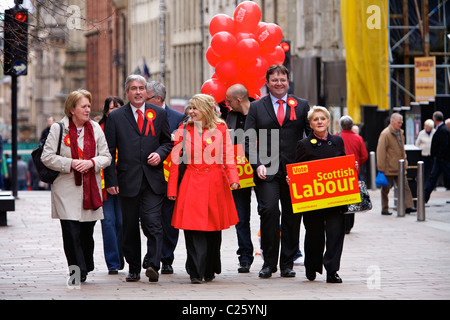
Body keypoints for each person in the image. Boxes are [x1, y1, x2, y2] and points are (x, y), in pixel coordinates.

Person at [103, 75, 173, 283]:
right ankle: (133, 267)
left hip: (153, 179)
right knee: (130, 226)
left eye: (142, 88)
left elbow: (167, 142)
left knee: (154, 223)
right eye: (134, 88)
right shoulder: (116, 117)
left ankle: (153, 264)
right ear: (127, 92)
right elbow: (109, 150)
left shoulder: (159, 114)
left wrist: (160, 154)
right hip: (127, 180)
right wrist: (111, 181)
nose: (138, 92)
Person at [244, 64, 311, 279]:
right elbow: (247, 139)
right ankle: (268, 263)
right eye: (274, 80)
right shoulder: (256, 107)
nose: (279, 83)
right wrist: (257, 164)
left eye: (282, 79)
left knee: (293, 216)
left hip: (295, 171)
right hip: (267, 170)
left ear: (288, 81)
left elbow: (311, 137)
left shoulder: (301, 106)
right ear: (267, 82)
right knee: (269, 212)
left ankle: (287, 263)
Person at [167, 94, 240, 284]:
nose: (190, 111)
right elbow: (175, 161)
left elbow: (228, 155)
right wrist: (172, 188)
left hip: (216, 182)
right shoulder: (183, 129)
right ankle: (195, 271)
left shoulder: (221, 129)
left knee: (213, 229)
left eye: (194, 108)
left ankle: (210, 268)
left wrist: (234, 179)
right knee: (193, 228)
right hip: (192, 181)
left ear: (206, 110)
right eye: (190, 108)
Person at [41, 89, 112, 283]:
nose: (88, 110)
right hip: (66, 188)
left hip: (90, 188)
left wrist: (91, 163)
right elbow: (46, 157)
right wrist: (70, 163)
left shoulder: (96, 128)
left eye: (89, 106)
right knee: (71, 232)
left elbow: (106, 156)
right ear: (72, 109)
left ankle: (85, 266)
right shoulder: (58, 129)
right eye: (84, 106)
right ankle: (75, 271)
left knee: (86, 233)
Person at [294, 106, 352, 283]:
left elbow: (343, 162)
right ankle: (311, 266)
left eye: (322, 118)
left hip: (335, 198)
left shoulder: (338, 141)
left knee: (335, 234)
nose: (319, 122)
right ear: (310, 124)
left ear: (328, 121)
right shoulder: (303, 145)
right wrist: (294, 180)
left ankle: (332, 270)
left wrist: (351, 168)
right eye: (315, 119)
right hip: (314, 199)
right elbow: (298, 170)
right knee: (314, 234)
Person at [146, 81, 185, 274]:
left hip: (173, 177)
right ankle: (152, 254)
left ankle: (166, 258)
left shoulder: (179, 118)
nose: (142, 101)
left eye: (147, 98)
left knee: (169, 219)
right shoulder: (140, 115)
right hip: (149, 174)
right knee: (149, 218)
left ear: (158, 99)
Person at [226, 84, 254, 273]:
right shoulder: (230, 116)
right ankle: (245, 256)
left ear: (238, 99)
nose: (227, 105)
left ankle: (271, 256)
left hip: (263, 168)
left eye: (229, 101)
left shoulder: (261, 111)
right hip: (240, 171)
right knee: (240, 216)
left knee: (268, 212)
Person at [99, 96, 125, 275]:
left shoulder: (128, 127)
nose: (114, 111)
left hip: (125, 181)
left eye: (118, 108)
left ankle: (122, 256)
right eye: (111, 108)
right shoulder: (99, 129)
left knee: (122, 222)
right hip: (102, 182)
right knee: (108, 221)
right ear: (106, 112)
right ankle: (113, 262)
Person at [376, 113, 416, 215]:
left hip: (400, 166)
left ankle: (408, 206)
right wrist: (381, 167)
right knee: (385, 189)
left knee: (405, 186)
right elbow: (381, 151)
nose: (401, 124)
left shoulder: (400, 133)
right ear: (392, 122)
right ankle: (384, 209)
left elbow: (402, 149)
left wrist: (405, 161)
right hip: (389, 167)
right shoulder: (386, 134)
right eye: (399, 122)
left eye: (401, 122)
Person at [337, 115, 368, 234]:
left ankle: (342, 224)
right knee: (352, 200)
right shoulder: (358, 138)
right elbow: (364, 155)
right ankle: (349, 225)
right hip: (353, 172)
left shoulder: (336, 137)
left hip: (339, 174)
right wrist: (357, 164)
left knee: (341, 200)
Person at [424, 111, 450, 202]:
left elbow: (444, 145)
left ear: (434, 119)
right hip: (440, 160)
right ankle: (424, 198)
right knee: (432, 178)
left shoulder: (443, 130)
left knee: (435, 177)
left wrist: (440, 156)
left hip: (442, 160)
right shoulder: (442, 129)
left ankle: (424, 198)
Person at [415, 119, 435, 184]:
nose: (427, 128)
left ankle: (432, 184)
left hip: (432, 155)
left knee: (432, 170)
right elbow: (417, 143)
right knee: (424, 170)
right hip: (424, 154)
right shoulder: (422, 133)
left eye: (428, 126)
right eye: (426, 126)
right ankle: (423, 183)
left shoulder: (435, 132)